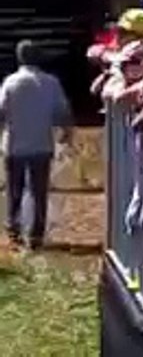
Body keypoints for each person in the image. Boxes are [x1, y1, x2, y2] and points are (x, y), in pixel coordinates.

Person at [0, 40, 72, 249]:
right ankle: (36, 234)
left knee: (15, 189)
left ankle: (14, 229)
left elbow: (1, 110)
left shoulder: (11, 82)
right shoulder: (51, 82)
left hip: (14, 144)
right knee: (38, 191)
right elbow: (62, 111)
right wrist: (66, 132)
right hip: (41, 144)